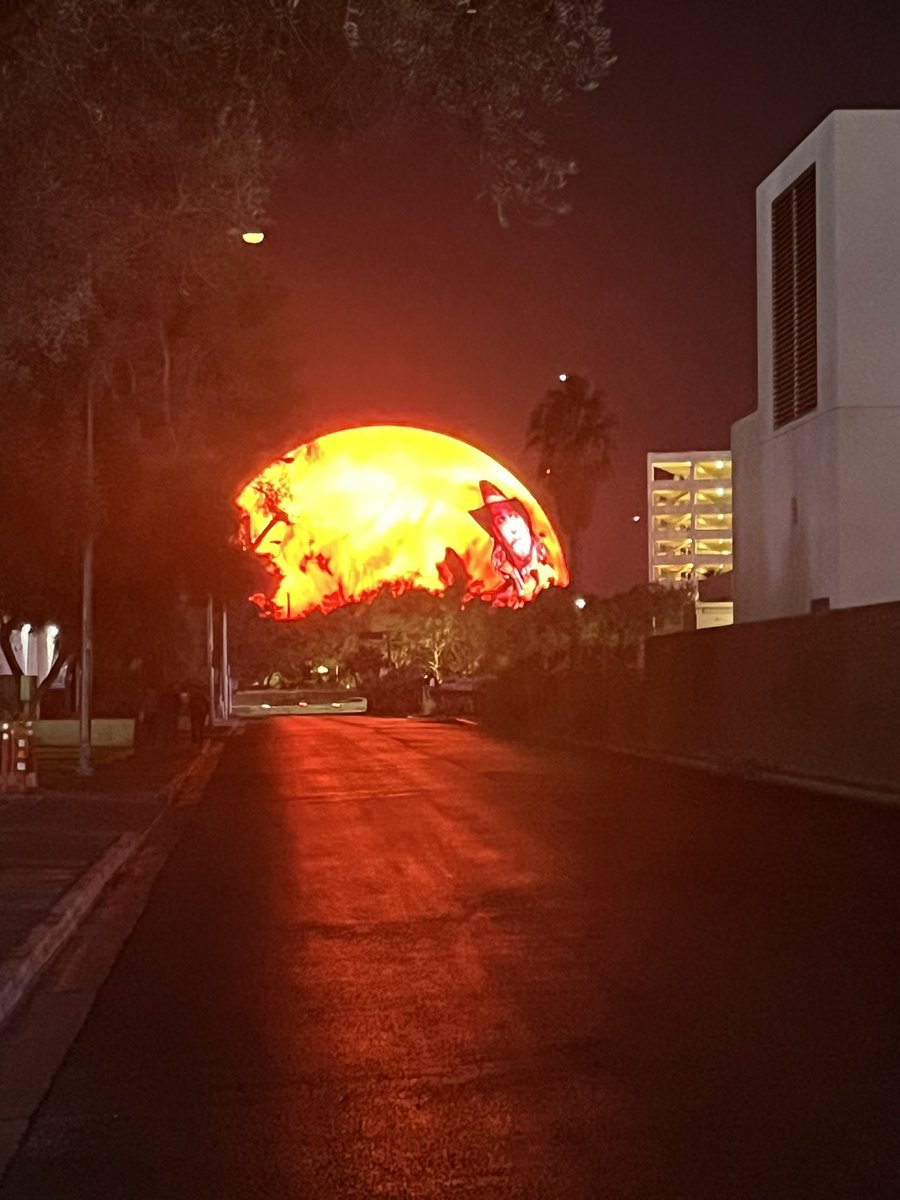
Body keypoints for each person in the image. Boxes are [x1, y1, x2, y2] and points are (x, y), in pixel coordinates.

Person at [468, 480, 553, 604]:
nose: (512, 529)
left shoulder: (543, 555)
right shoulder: (538, 559)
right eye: (501, 520)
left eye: (513, 516)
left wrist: (517, 575)